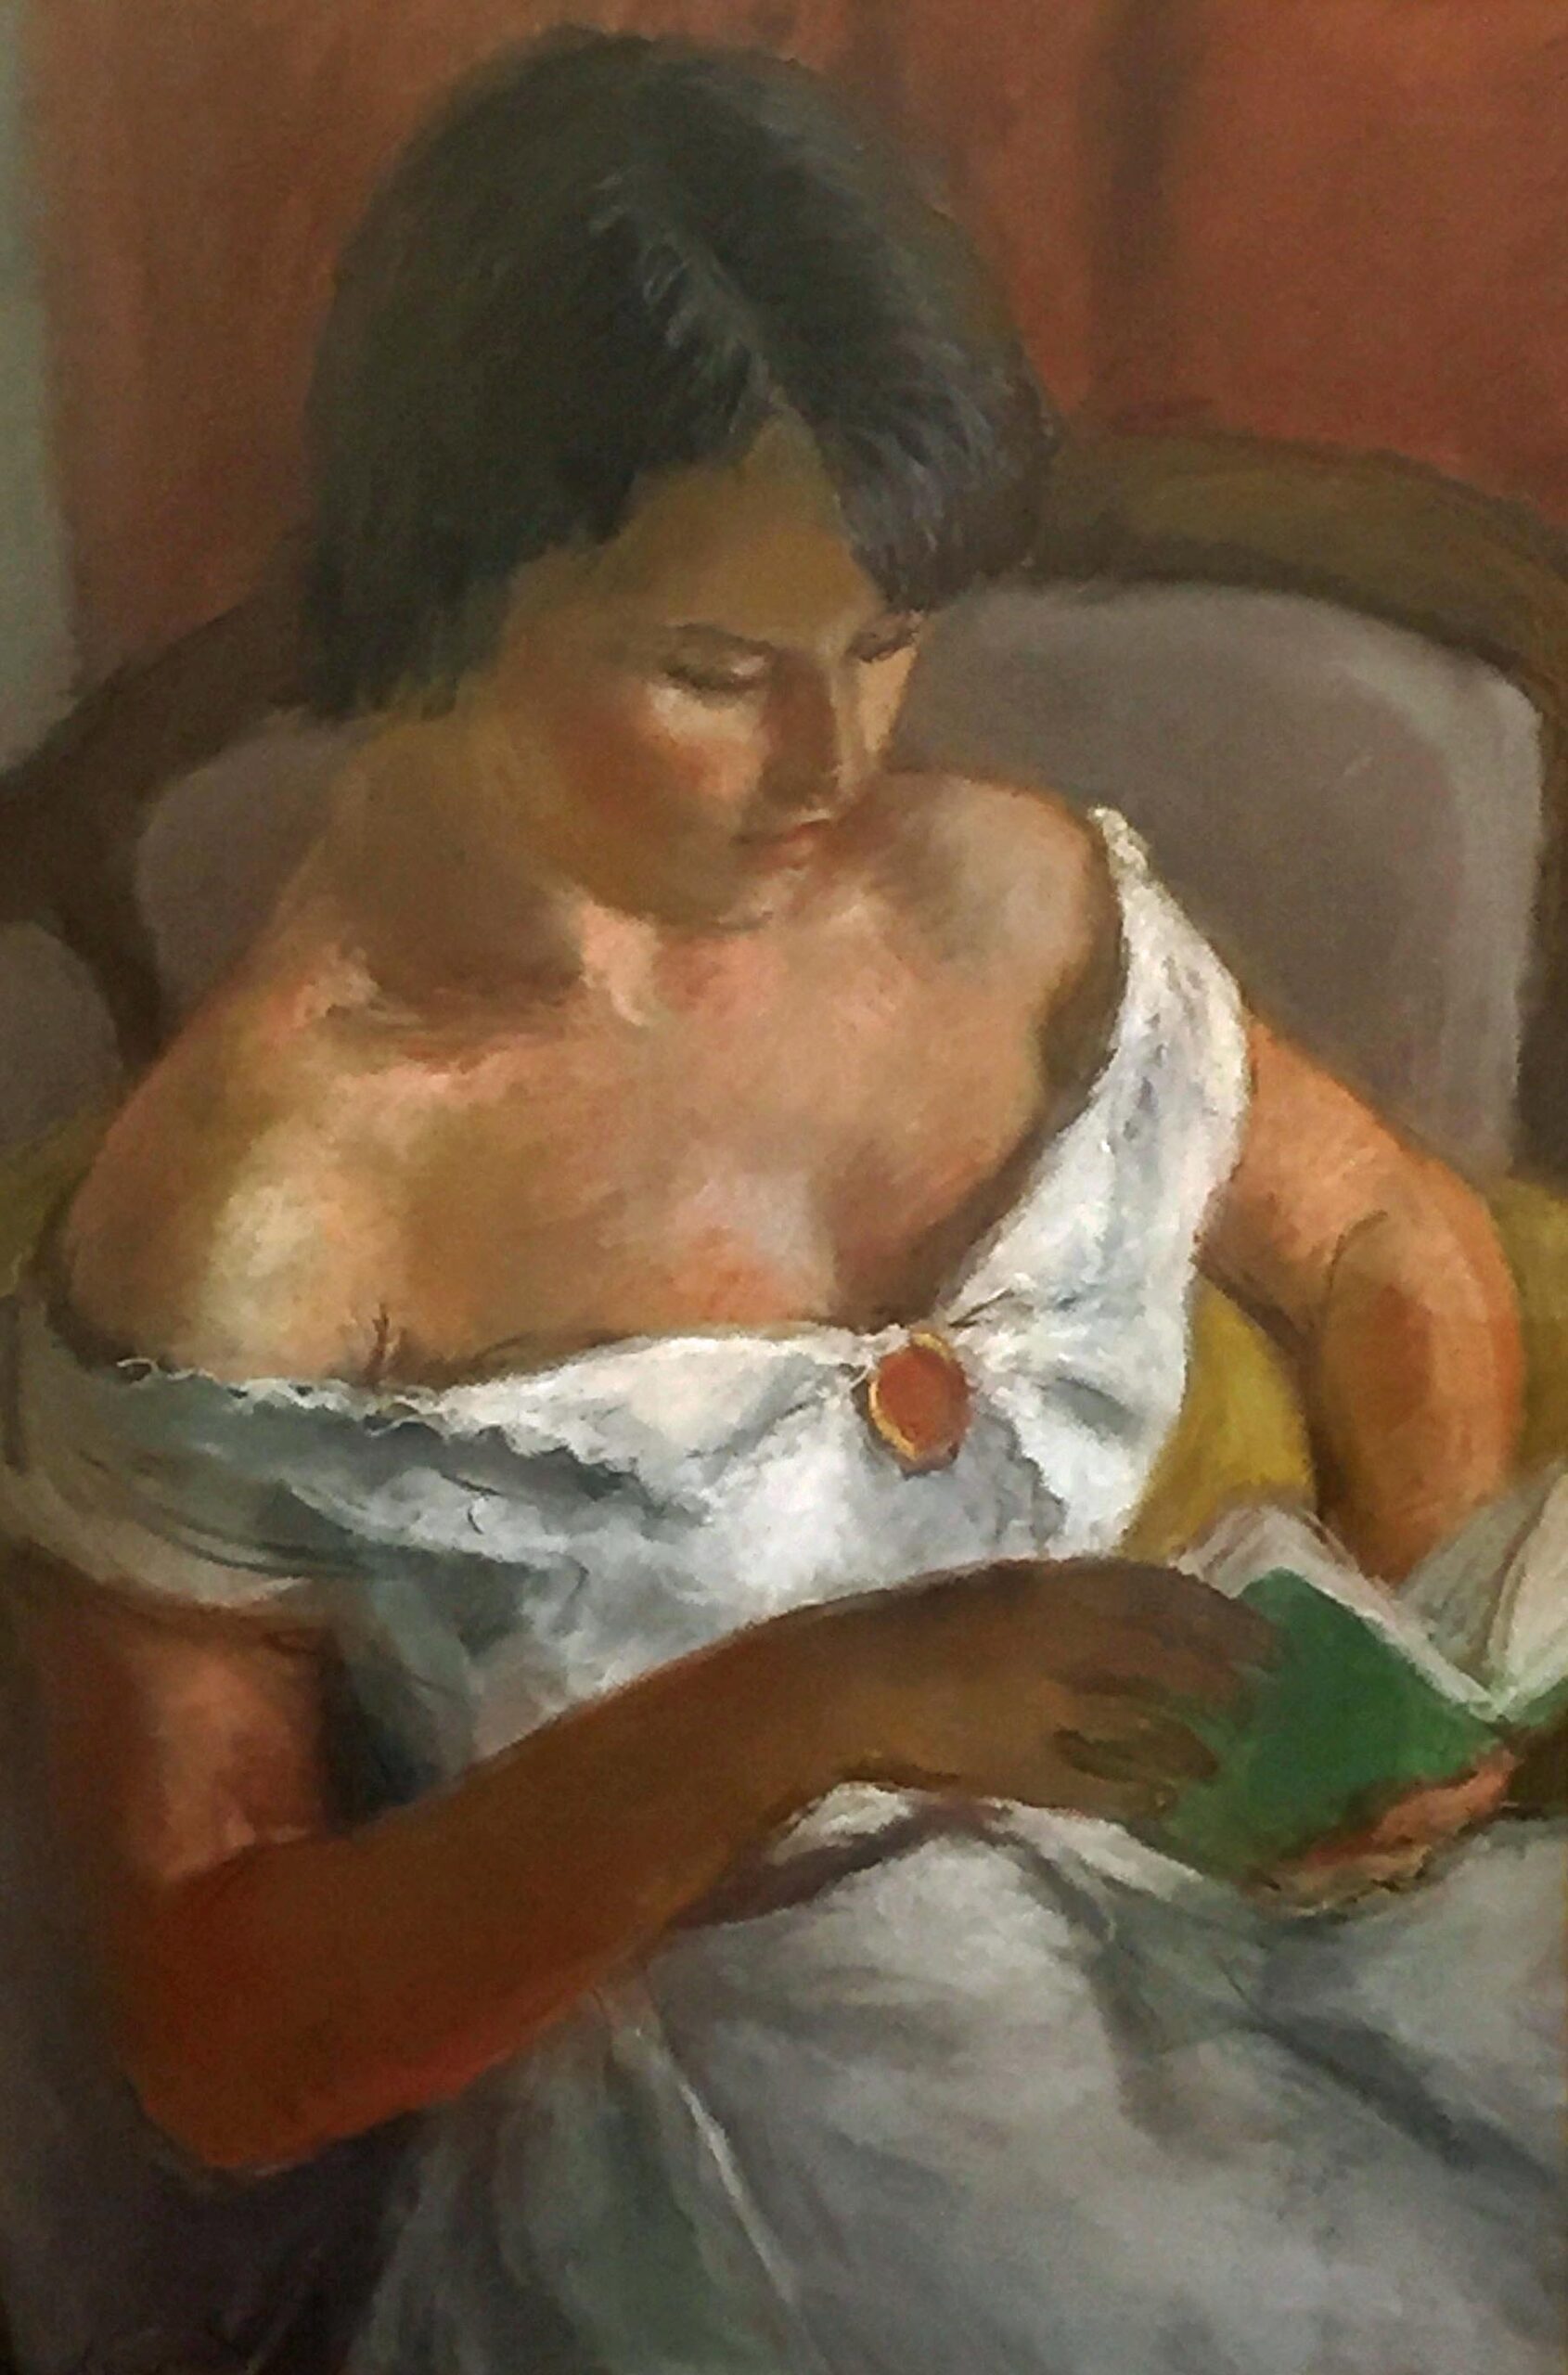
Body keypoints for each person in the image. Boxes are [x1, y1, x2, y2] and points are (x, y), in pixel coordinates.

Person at [0, 28, 1559, 2375]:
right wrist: (825, 1699)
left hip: (1241, 1955)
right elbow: (224, 2041)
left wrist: (1402, 1668)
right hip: (766, 2171)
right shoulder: (263, 1198)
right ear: (456, 597)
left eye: (879, 645)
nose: (833, 760)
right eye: (714, 671)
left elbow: (1378, 1246)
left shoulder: (1009, 908)